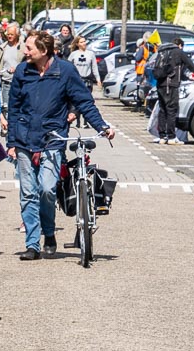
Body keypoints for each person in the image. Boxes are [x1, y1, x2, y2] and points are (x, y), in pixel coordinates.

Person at [7, 31, 115, 260]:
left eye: (29, 48)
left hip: (52, 139)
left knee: (46, 189)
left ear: (44, 51)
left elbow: (84, 102)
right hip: (25, 140)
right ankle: (32, 245)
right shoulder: (22, 71)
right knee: (28, 193)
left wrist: (101, 127)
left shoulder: (65, 71)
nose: (25, 52)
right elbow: (13, 108)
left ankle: (49, 233)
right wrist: (12, 142)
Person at [153, 37, 194, 145]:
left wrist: (187, 78)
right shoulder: (178, 52)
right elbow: (190, 65)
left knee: (162, 110)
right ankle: (172, 137)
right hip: (171, 85)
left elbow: (176, 71)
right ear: (180, 45)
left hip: (160, 84)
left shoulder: (162, 51)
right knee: (171, 110)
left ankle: (162, 136)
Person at [0, 24, 25, 123]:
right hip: (5, 82)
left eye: (12, 34)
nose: (9, 36)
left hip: (20, 82)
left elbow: (27, 63)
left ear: (17, 35)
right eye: (8, 34)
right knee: (6, 106)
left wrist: (17, 68)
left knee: (19, 106)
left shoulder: (23, 48)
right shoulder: (2, 48)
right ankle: (8, 126)